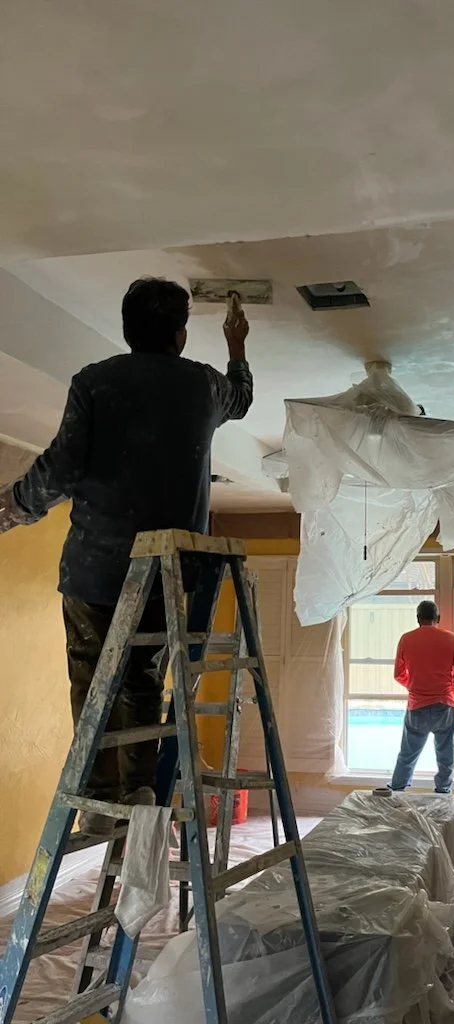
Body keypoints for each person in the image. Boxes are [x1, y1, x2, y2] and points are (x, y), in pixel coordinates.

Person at [0, 277, 253, 835]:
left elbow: (61, 468)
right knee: (142, 676)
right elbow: (243, 396)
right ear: (182, 334)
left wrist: (13, 507)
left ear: (125, 329)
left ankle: (96, 797)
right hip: (165, 571)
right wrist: (236, 346)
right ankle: (138, 790)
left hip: (97, 566)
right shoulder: (204, 387)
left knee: (93, 676)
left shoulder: (95, 383)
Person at [389, 599, 454, 794]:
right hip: (444, 705)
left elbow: (398, 674)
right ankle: (443, 791)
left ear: (418, 619)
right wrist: (448, 693)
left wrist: (415, 687)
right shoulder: (451, 639)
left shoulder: (406, 639)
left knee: (407, 754)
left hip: (417, 706)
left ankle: (397, 790)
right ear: (437, 618)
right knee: (445, 755)